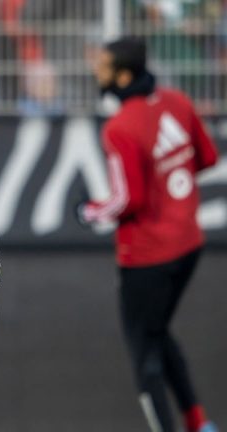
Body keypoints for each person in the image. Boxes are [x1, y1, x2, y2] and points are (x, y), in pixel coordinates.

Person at [78, 37, 219, 432]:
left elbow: (129, 199)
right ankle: (198, 423)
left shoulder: (120, 127)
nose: (96, 70)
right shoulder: (178, 101)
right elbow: (207, 157)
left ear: (123, 76)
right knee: (158, 332)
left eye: (104, 64)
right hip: (189, 244)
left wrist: (88, 211)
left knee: (145, 356)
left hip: (147, 257)